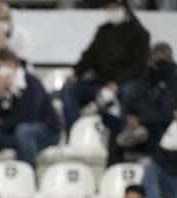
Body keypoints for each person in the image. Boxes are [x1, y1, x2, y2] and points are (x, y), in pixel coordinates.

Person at [62, 0, 150, 130]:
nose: (111, 10)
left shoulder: (140, 33)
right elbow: (90, 55)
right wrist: (76, 73)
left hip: (126, 83)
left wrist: (116, 83)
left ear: (125, 8)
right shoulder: (104, 31)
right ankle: (75, 132)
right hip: (101, 82)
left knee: (127, 93)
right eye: (109, 7)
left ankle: (125, 133)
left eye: (115, 7)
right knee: (70, 89)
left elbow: (139, 67)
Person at [101, 42, 177, 165]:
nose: (159, 60)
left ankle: (153, 163)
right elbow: (135, 102)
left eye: (163, 56)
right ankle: (113, 170)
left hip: (161, 127)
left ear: (169, 57)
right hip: (141, 125)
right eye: (157, 56)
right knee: (115, 125)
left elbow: (167, 112)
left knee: (157, 128)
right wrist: (130, 118)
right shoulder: (147, 77)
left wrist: (140, 119)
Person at [0, 50, 60, 170]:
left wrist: (1, 122)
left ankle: (29, 178)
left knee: (23, 131)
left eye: (4, 66)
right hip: (12, 131)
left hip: (45, 132)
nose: (1, 70)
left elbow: (30, 117)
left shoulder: (32, 83)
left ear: (14, 66)